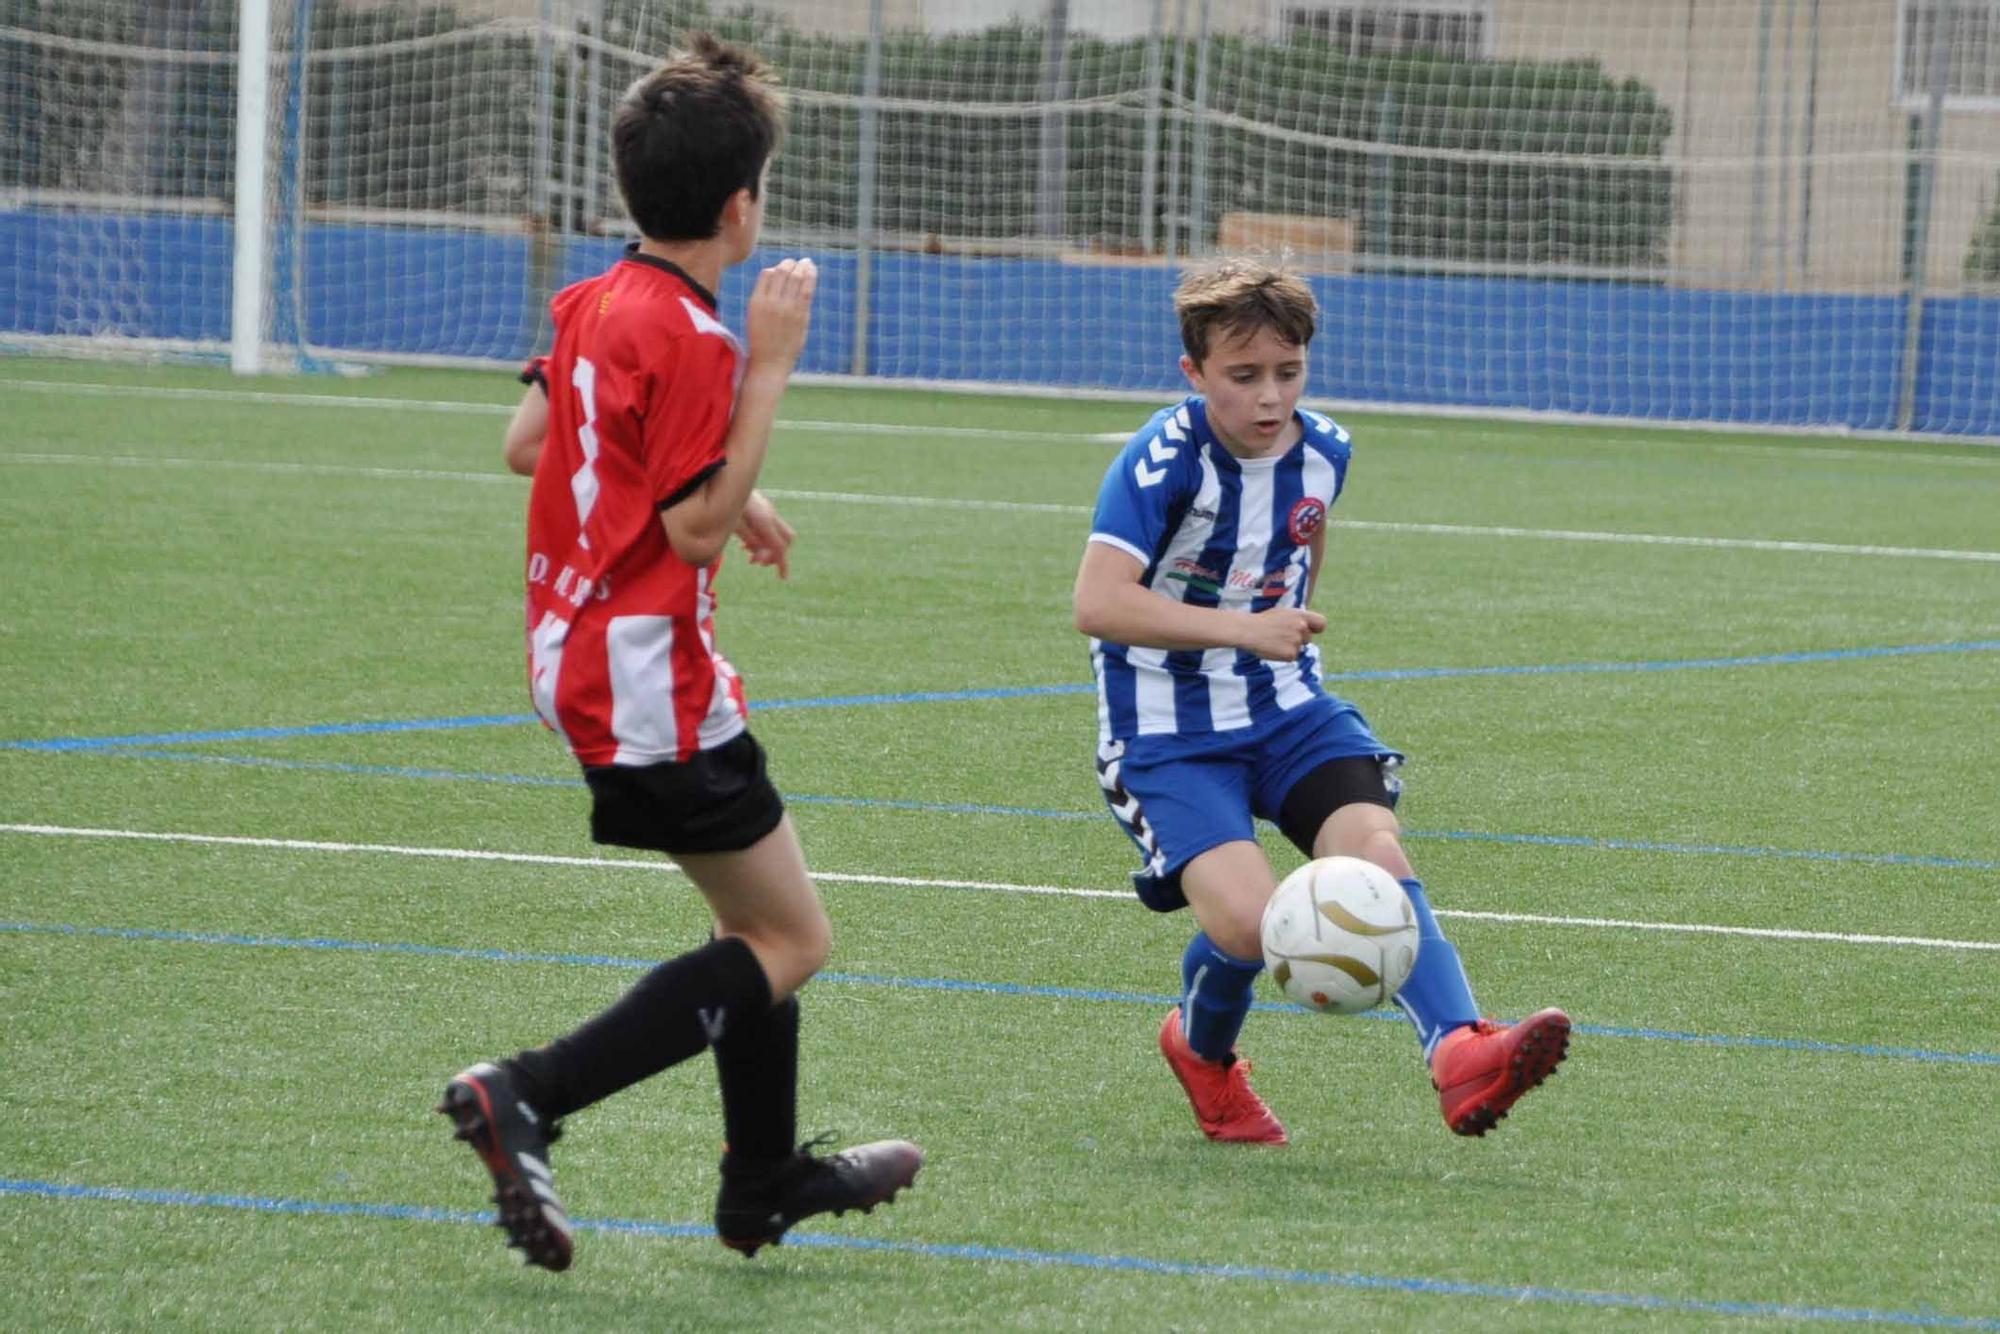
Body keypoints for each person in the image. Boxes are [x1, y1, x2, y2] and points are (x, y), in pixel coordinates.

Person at [439, 33, 920, 1272]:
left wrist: (710, 477)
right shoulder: (705, 338)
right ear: (740, 204)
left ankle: (760, 1179)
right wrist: (763, 373)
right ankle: (529, 1089)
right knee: (789, 940)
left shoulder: (592, 299)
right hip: (649, 673)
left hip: (569, 645)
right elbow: (691, 528)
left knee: (750, 927)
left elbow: (527, 442)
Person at [1071, 257, 1568, 1147]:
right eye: (1243, 376)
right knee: (1253, 928)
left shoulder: (1327, 448)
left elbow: (1302, 545)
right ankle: (1201, 1049)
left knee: (1375, 853)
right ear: (1194, 375)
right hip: (1169, 733)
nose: (1269, 397)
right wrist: (1244, 630)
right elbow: (1096, 603)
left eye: (1288, 373)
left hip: (1290, 712)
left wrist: (1280, 635)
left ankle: (1459, 1051)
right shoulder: (1163, 460)